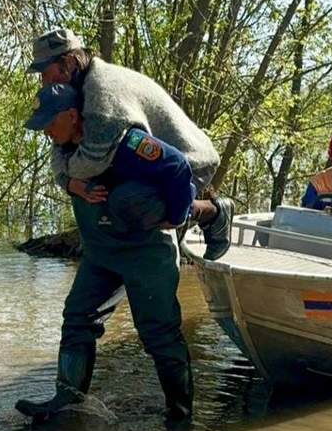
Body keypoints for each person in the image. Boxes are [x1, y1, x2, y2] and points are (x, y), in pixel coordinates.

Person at [26, 28, 233, 260]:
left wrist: (67, 178)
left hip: (188, 161)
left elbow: (89, 163)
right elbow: (59, 146)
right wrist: (68, 181)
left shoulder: (101, 94)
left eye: (46, 71)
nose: (43, 81)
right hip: (150, 164)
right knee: (106, 194)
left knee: (127, 200)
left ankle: (211, 213)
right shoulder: (70, 90)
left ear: (70, 61)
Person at [25, 83, 197, 231]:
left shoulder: (126, 140)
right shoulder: (65, 147)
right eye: (43, 126)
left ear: (72, 116)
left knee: (123, 197)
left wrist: (176, 219)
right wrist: (70, 185)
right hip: (114, 232)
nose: (46, 132)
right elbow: (59, 171)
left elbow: (177, 164)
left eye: (51, 123)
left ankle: (203, 211)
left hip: (158, 210)